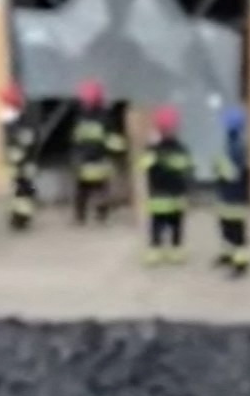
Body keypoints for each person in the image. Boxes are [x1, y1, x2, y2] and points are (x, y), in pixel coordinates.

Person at [138, 105, 192, 266]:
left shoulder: (160, 149)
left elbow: (185, 167)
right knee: (163, 224)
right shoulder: (179, 148)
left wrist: (155, 153)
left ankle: (170, 250)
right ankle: (164, 250)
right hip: (165, 196)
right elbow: (142, 166)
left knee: (168, 225)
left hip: (168, 195)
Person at [71, 79, 127, 226]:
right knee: (97, 189)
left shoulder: (81, 117)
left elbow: (76, 139)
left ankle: (83, 216)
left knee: (86, 190)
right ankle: (94, 214)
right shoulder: (104, 117)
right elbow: (114, 141)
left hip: (90, 160)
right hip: (95, 160)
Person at [213, 104, 250, 277]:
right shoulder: (232, 142)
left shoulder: (237, 146)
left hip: (234, 197)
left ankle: (241, 264)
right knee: (226, 227)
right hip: (227, 196)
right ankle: (229, 256)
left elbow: (233, 173)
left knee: (237, 231)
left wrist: (218, 164)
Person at [0, 82, 37, 233]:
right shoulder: (11, 120)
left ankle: (21, 218)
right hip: (19, 164)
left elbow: (27, 142)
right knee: (20, 191)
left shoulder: (20, 122)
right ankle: (19, 216)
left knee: (23, 192)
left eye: (4, 102)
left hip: (23, 164)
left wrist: (19, 159)